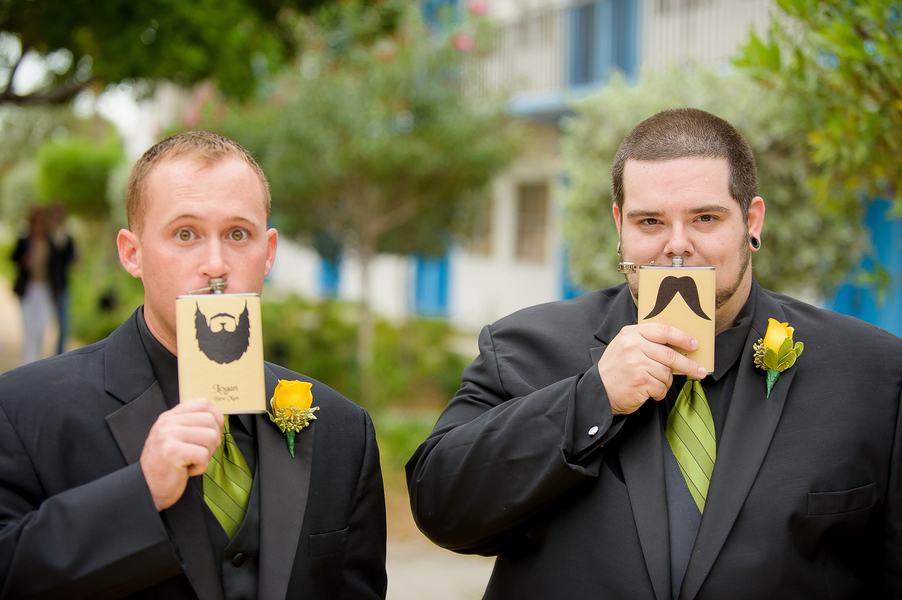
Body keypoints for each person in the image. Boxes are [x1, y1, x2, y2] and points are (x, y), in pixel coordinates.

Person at [406, 109, 902, 599]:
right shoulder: (523, 347)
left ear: (752, 221)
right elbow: (441, 508)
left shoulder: (873, 372)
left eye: (705, 218)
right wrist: (590, 400)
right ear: (620, 226)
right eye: (650, 221)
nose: (677, 247)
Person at [0, 131, 387, 599]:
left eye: (237, 234)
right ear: (132, 252)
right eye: (185, 234)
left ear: (267, 253)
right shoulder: (23, 411)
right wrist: (139, 494)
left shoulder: (342, 431)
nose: (216, 264)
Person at [11, 206, 54, 365]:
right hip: (28, 289)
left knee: (42, 327)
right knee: (29, 328)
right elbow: (13, 257)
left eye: (41, 222)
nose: (38, 225)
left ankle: (35, 363)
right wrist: (23, 260)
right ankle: (28, 364)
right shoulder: (24, 240)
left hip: (45, 289)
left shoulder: (50, 241)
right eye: (35, 222)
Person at [48, 202, 77, 355]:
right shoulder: (46, 237)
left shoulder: (67, 238)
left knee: (64, 326)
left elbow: (73, 261)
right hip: (48, 286)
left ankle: (58, 356)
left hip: (63, 286)